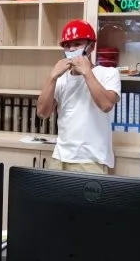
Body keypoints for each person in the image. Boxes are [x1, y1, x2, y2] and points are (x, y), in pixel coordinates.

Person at [36, 19, 119, 173]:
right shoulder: (61, 79)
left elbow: (106, 105)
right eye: (67, 45)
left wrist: (87, 72)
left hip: (92, 160)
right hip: (60, 157)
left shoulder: (109, 73)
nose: (72, 49)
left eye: (77, 44)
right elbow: (42, 112)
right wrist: (52, 76)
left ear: (91, 46)